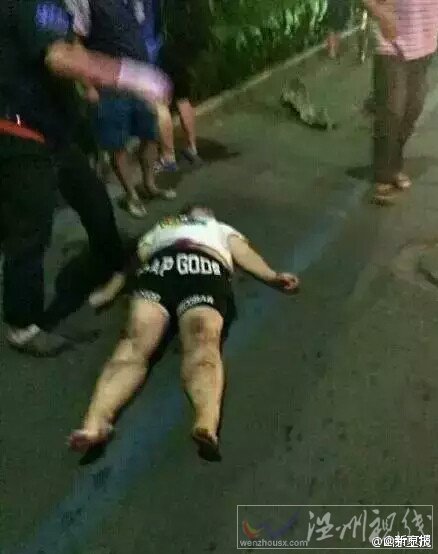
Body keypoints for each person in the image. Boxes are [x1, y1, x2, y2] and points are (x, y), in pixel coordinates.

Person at [0, 0, 171, 356]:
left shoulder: (53, 5)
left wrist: (90, 79)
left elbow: (68, 46)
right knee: (30, 229)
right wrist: (127, 75)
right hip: (21, 130)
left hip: (54, 129)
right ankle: (22, 325)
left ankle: (114, 264)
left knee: (93, 199)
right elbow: (58, 57)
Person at [68, 205, 300, 461]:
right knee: (136, 342)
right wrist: (109, 292)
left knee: (202, 341)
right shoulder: (164, 226)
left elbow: (242, 252)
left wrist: (271, 276)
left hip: (201, 268)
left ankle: (206, 424)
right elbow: (133, 262)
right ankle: (94, 423)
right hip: (162, 268)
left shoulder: (219, 228)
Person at [66, 0, 176, 219]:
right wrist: (88, 85)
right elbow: (76, 44)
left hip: (139, 77)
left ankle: (149, 185)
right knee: (117, 145)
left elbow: (141, 29)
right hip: (109, 84)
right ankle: (131, 195)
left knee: (151, 134)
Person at [364, 0, 438, 205]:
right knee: (392, 109)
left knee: (414, 106)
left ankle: (393, 164)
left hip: (424, 38)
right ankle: (384, 175)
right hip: (390, 37)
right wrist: (377, 11)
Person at [154, 0, 211, 172]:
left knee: (161, 104)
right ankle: (192, 147)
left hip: (162, 52)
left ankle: (168, 157)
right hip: (182, 52)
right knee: (183, 98)